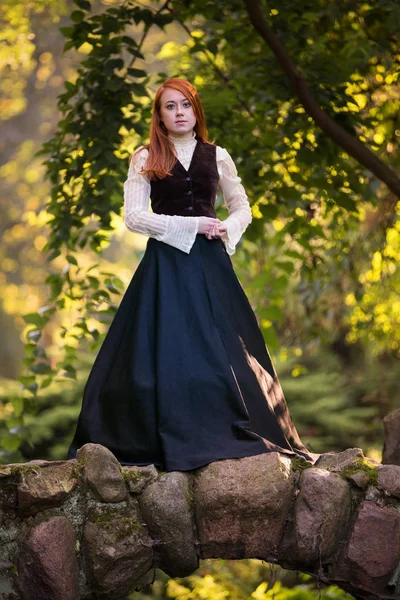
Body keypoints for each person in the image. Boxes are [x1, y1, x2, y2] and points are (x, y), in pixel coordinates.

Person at [67, 77, 317, 471]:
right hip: (165, 266)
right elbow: (133, 217)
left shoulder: (218, 156)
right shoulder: (144, 157)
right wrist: (192, 226)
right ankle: (162, 433)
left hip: (211, 265)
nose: (179, 113)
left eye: (185, 105)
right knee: (164, 347)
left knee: (226, 349)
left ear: (195, 111)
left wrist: (226, 228)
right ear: (159, 115)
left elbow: (242, 208)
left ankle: (223, 428)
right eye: (170, 106)